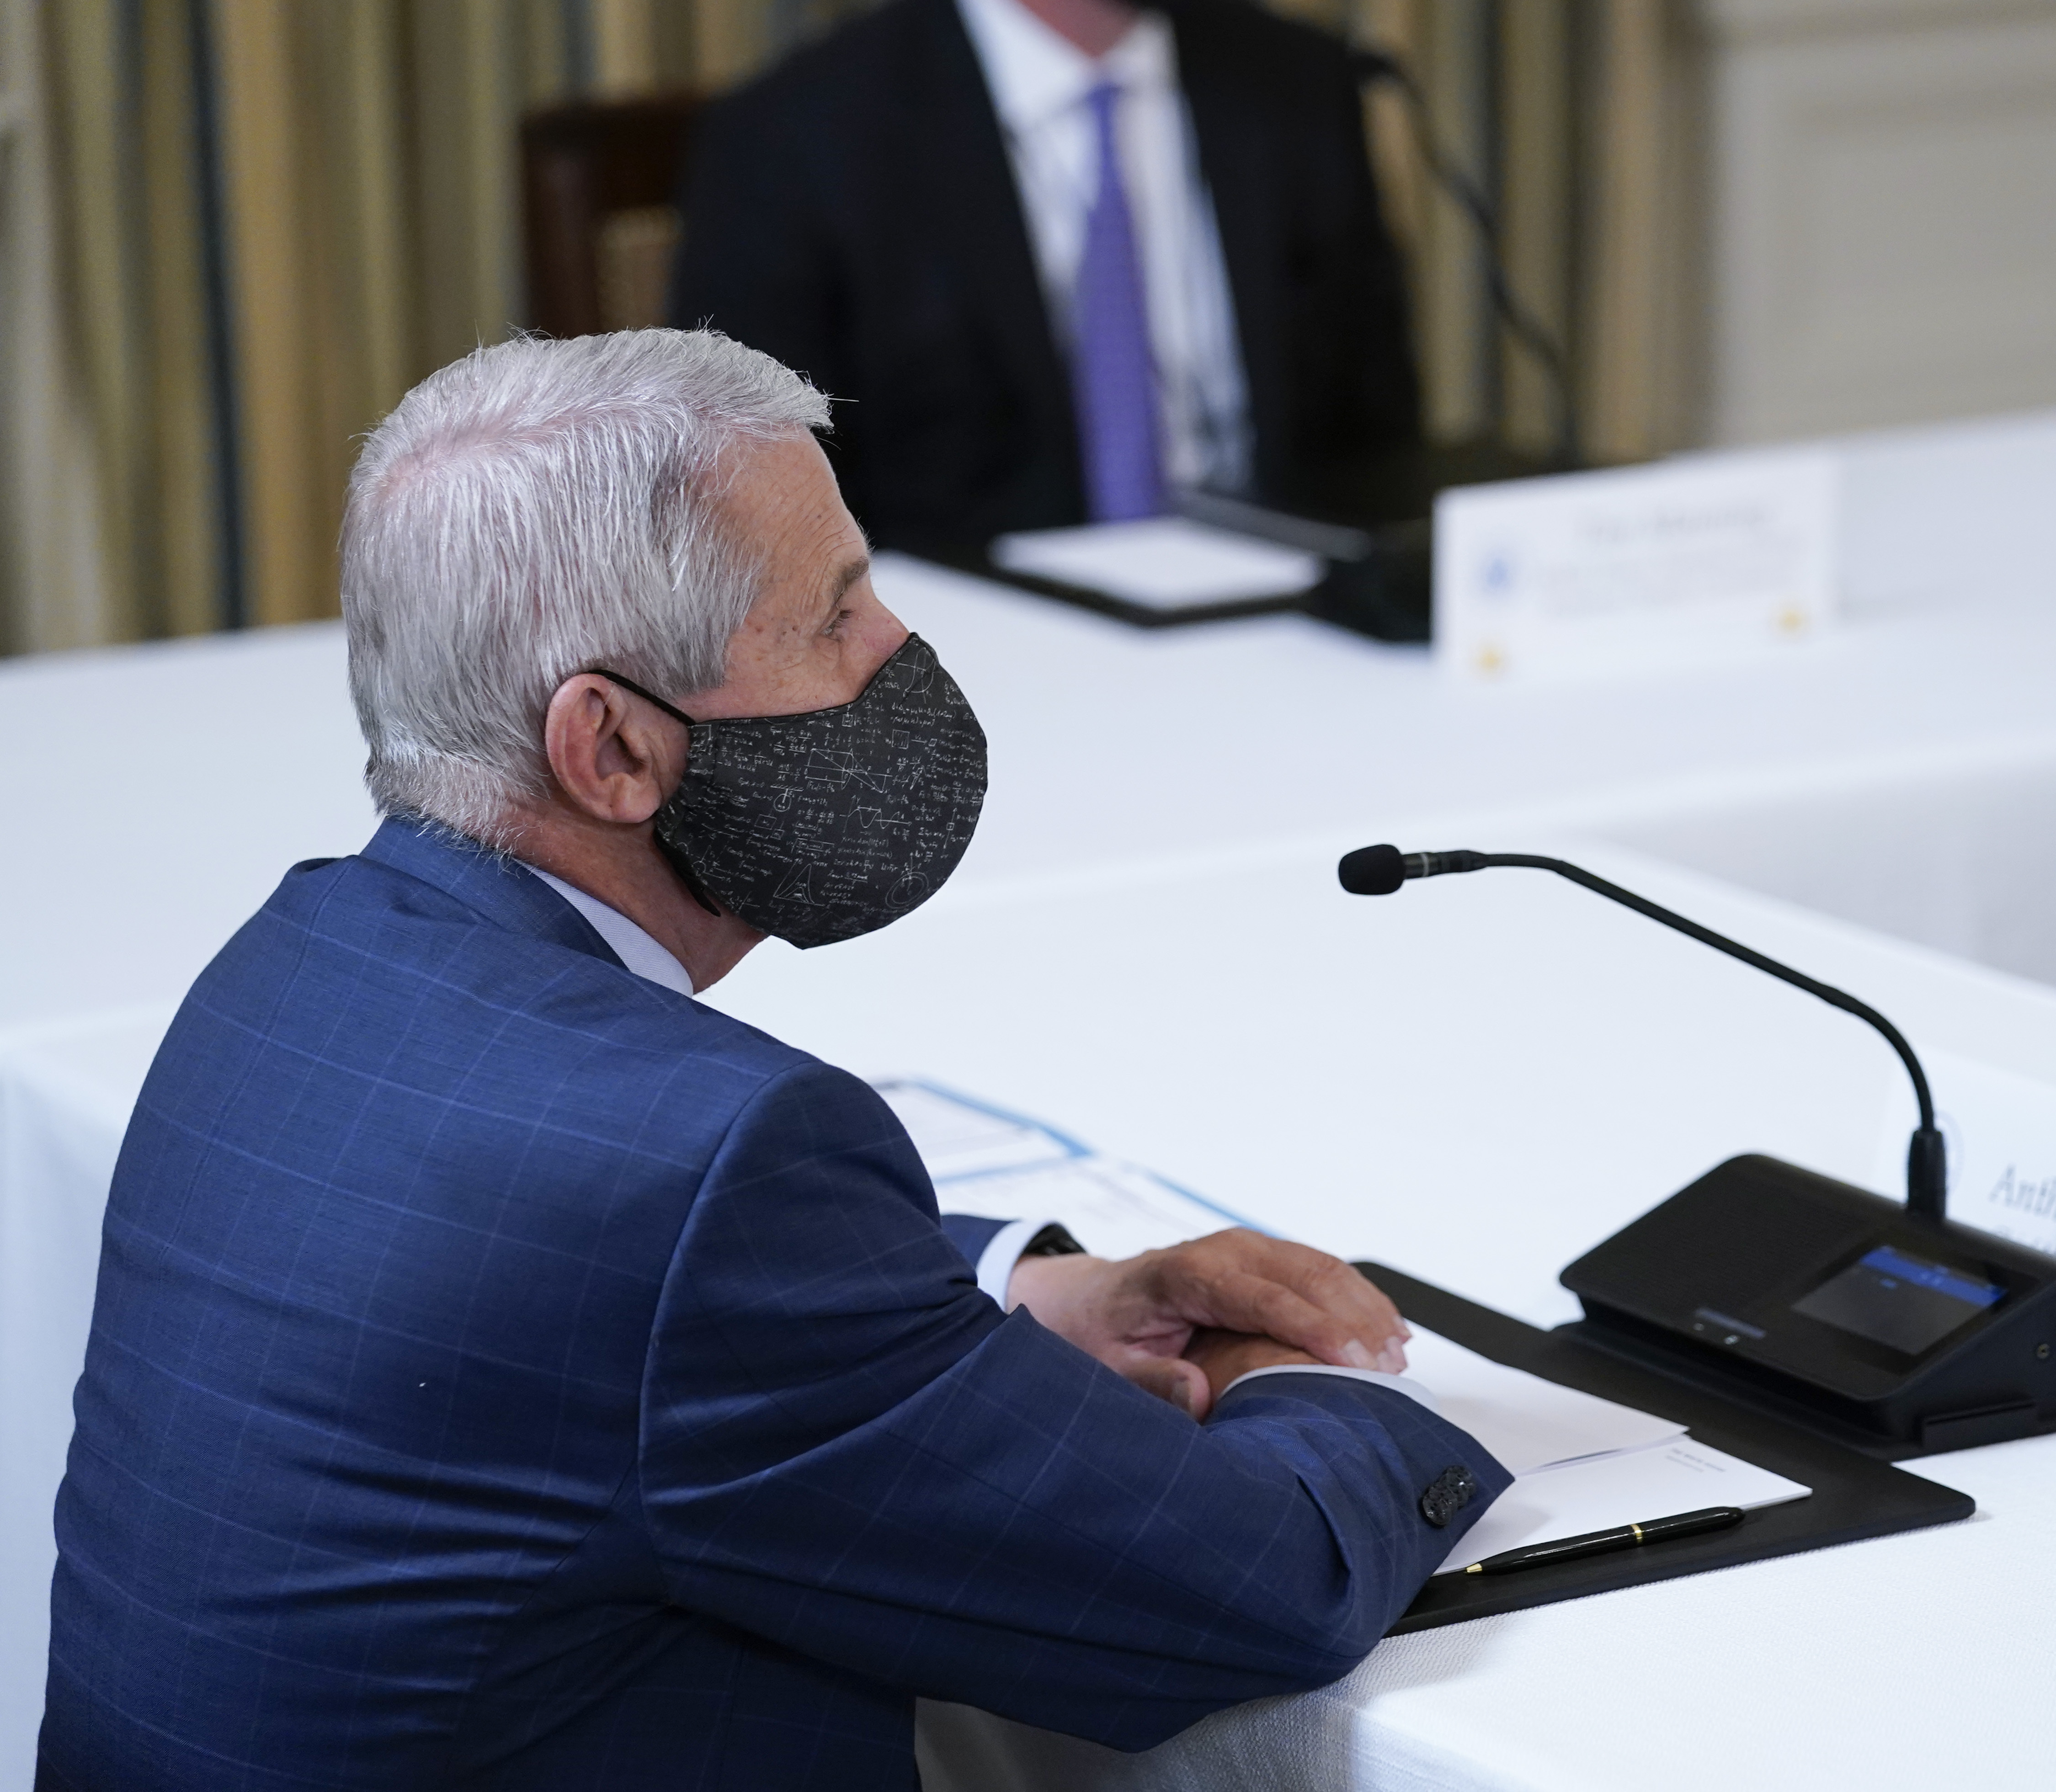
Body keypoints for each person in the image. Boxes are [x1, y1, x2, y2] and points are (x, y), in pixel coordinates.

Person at [38, 330, 1503, 1790]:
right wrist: (1308, 1378)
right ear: (608, 747)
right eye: (835, 612)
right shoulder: (714, 1166)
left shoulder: (291, 969)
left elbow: (554, 1269)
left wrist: (1023, 1288)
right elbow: (1257, 1584)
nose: (897, 655)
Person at [672, 0, 1420, 554]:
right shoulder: (798, 136)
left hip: (1280, 617)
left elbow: (1376, 436)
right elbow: (752, 505)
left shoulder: (1297, 85)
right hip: (971, 651)